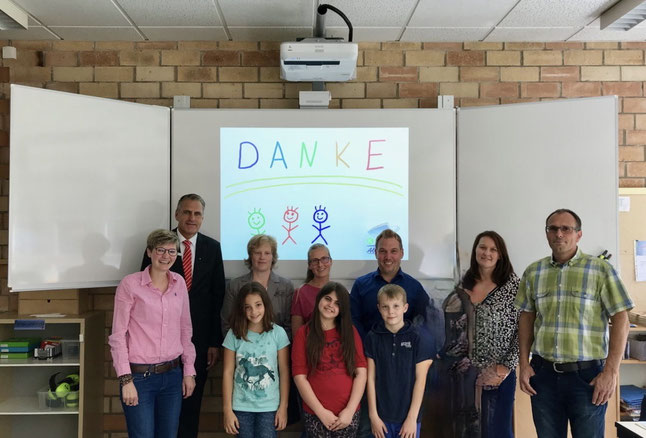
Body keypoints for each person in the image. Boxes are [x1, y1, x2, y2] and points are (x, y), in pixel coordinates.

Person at [516, 208, 634, 438]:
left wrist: (610, 372)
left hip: (587, 377)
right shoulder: (533, 272)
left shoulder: (601, 270)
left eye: (566, 228)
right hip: (544, 375)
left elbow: (621, 318)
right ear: (547, 233)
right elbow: (526, 317)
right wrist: (523, 363)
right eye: (553, 228)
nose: (559, 234)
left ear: (578, 235)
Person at [140, 193, 226, 438]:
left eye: (197, 213)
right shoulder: (160, 245)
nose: (192, 218)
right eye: (187, 212)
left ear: (202, 218)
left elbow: (216, 297)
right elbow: (143, 290)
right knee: (161, 407)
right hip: (159, 340)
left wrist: (212, 342)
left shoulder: (212, 247)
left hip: (197, 341)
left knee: (191, 400)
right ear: (176, 214)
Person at [427, 230, 520, 438]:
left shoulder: (513, 286)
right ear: (475, 250)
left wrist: (504, 368)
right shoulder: (463, 285)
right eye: (482, 247)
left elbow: (523, 331)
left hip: (496, 375)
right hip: (460, 378)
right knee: (463, 432)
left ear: (500, 255)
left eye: (493, 249)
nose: (487, 253)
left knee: (497, 432)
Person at [110, 229, 196, 438]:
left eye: (172, 251)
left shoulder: (179, 283)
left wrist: (189, 371)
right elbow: (118, 336)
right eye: (160, 250)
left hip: (173, 376)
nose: (166, 256)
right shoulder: (130, 284)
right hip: (139, 378)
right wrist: (125, 380)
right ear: (149, 252)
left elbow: (186, 330)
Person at [350, 229, 431, 437]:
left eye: (393, 251)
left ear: (401, 253)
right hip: (370, 365)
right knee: (369, 429)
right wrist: (365, 351)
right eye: (383, 251)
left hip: (404, 372)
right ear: (375, 253)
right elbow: (353, 323)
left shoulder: (414, 287)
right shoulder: (361, 285)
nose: (388, 257)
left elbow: (426, 322)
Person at [292, 282, 368, 438]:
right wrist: (321, 412)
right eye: (328, 299)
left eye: (337, 303)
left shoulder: (350, 332)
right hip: (315, 413)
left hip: (347, 415)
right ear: (319, 299)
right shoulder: (303, 333)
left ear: (342, 309)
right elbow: (300, 377)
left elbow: (361, 373)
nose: (330, 305)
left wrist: (350, 410)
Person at [222, 282, 290, 438]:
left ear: (265, 304)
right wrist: (227, 410)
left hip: (269, 408)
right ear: (242, 309)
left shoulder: (278, 334)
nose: (254, 312)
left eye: (258, 305)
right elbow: (227, 372)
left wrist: (283, 407)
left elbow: (284, 371)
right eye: (248, 307)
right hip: (240, 407)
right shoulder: (234, 334)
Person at [365, 284, 433, 438]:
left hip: (408, 418)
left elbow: (420, 380)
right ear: (379, 308)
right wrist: (373, 416)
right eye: (385, 307)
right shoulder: (372, 337)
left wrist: (412, 418)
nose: (391, 311)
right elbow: (370, 379)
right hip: (381, 417)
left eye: (396, 306)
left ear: (405, 307)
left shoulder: (417, 338)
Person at [221, 234, 294, 339]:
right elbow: (227, 323)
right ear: (251, 256)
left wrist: (280, 349)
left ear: (273, 256)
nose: (262, 257)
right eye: (257, 253)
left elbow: (288, 325)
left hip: (277, 349)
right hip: (242, 348)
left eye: (267, 253)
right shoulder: (235, 286)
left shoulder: (286, 286)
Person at [291, 243, 333, 336]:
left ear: (331, 261)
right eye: (315, 261)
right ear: (309, 265)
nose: (320, 264)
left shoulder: (338, 290)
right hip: (310, 347)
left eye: (324, 259)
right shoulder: (300, 293)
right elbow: (297, 334)